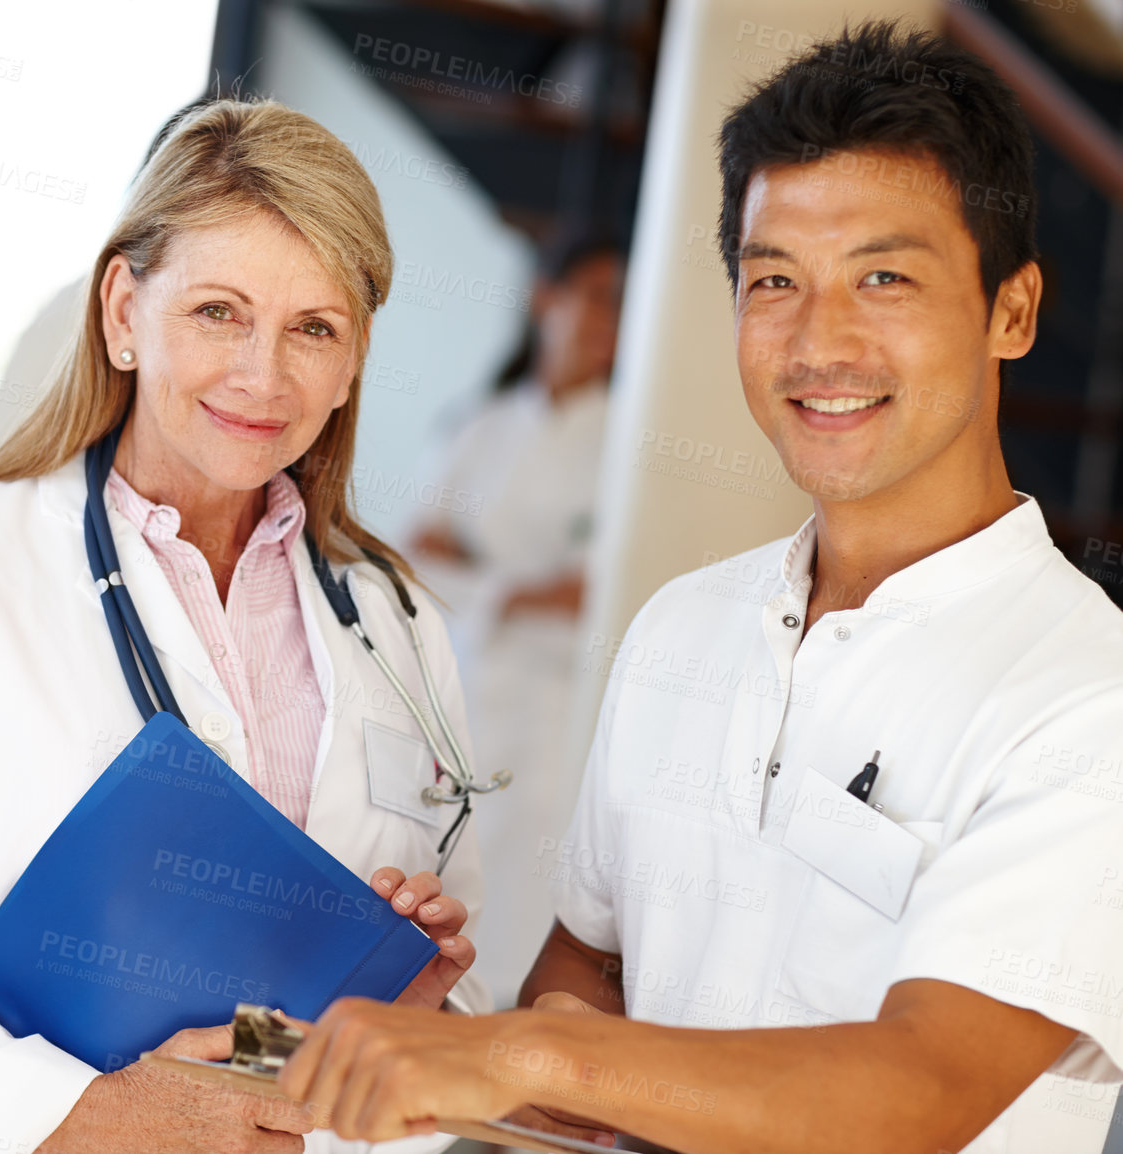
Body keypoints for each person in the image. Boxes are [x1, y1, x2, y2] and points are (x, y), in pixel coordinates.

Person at [273, 21, 1123, 1154]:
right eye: (774, 279)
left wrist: (522, 1054)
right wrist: (453, 1029)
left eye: (883, 276)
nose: (820, 339)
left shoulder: (1082, 689)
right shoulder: (683, 624)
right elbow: (584, 962)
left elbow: (920, 1090)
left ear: (1011, 311)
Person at [0, 98, 492, 1154]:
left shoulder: (395, 622)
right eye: (218, 311)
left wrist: (401, 1030)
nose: (261, 376)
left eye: (312, 327)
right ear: (124, 311)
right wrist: (87, 1112)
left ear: (354, 357)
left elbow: (268, 1047)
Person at [408, 232, 624, 1003]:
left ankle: (508, 1066)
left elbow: (601, 587)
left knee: (538, 881)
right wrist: (520, 589)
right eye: (599, 297)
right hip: (466, 679)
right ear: (546, 298)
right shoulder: (483, 423)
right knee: (440, 864)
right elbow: (415, 554)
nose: (612, 321)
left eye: (625, 307)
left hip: (561, 703)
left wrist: (480, 575)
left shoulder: (627, 438)